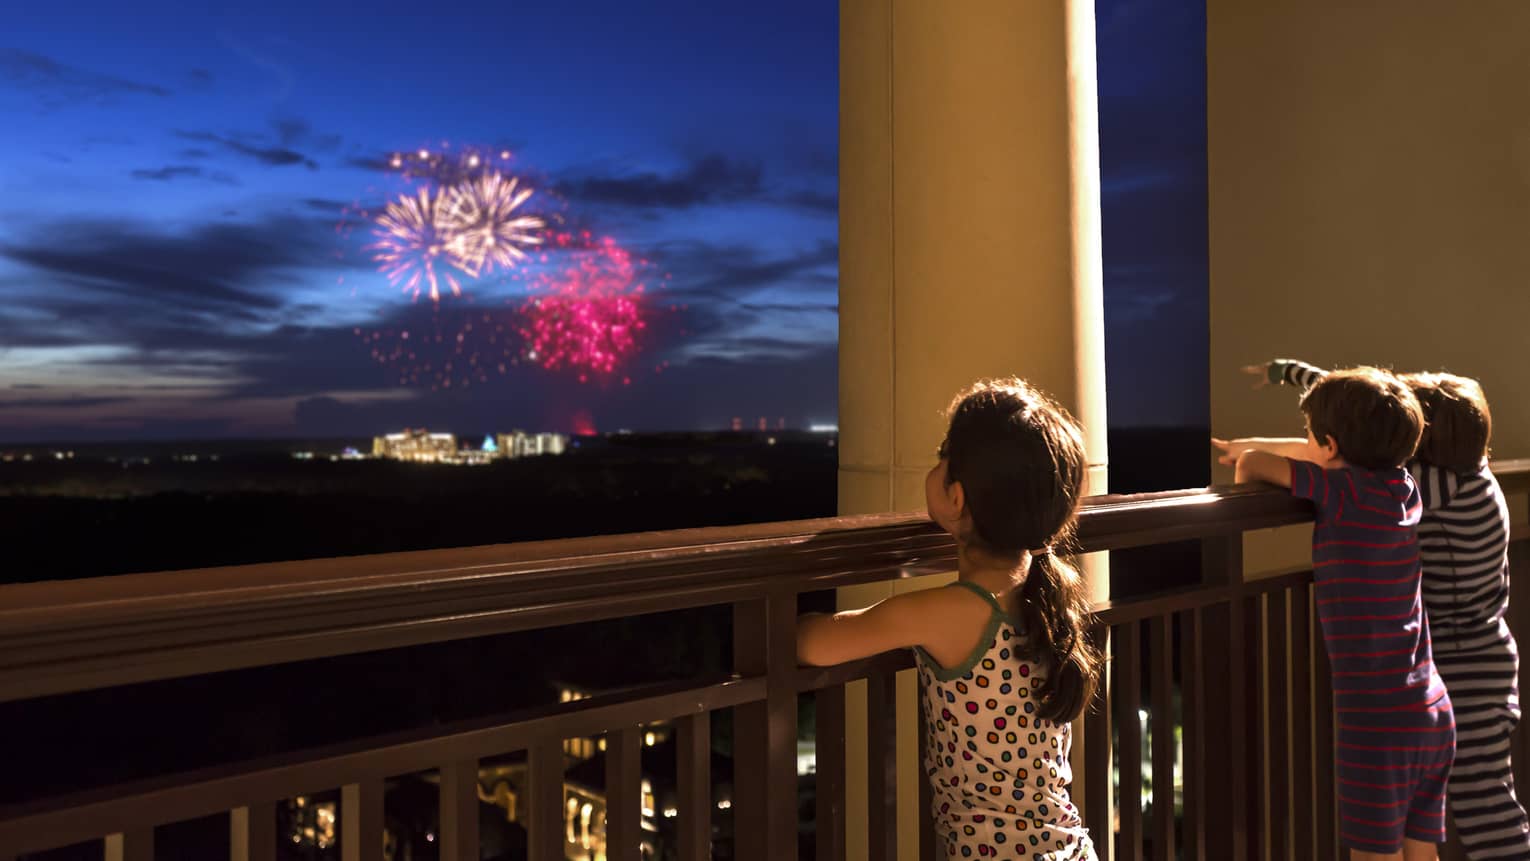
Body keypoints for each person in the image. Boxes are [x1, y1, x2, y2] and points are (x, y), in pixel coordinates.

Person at [1227, 359, 1528, 860]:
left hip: (1398, 711)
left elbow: (1279, 458)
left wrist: (1250, 455)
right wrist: (1296, 376)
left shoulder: (1384, 490)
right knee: (1441, 835)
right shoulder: (1411, 487)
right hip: (1437, 701)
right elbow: (1371, 415)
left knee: (1483, 813)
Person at [797, 378, 1099, 859]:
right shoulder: (1043, 597)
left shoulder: (951, 611)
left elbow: (813, 644)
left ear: (957, 499)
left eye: (944, 455)